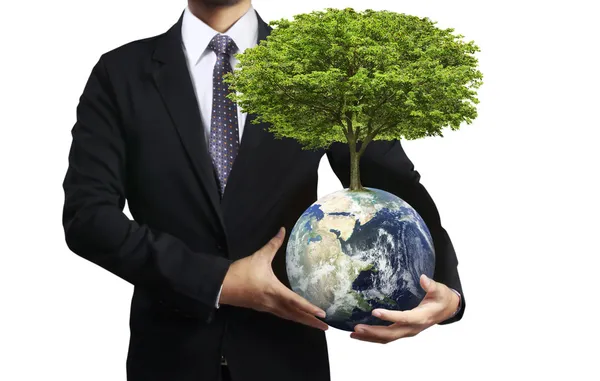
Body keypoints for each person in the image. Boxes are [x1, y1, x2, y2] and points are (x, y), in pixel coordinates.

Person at [61, 1, 465, 380]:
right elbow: (88, 217)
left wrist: (445, 290)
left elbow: (393, 187)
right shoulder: (120, 73)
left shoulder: (322, 72)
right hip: (170, 357)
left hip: (287, 358)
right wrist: (219, 281)